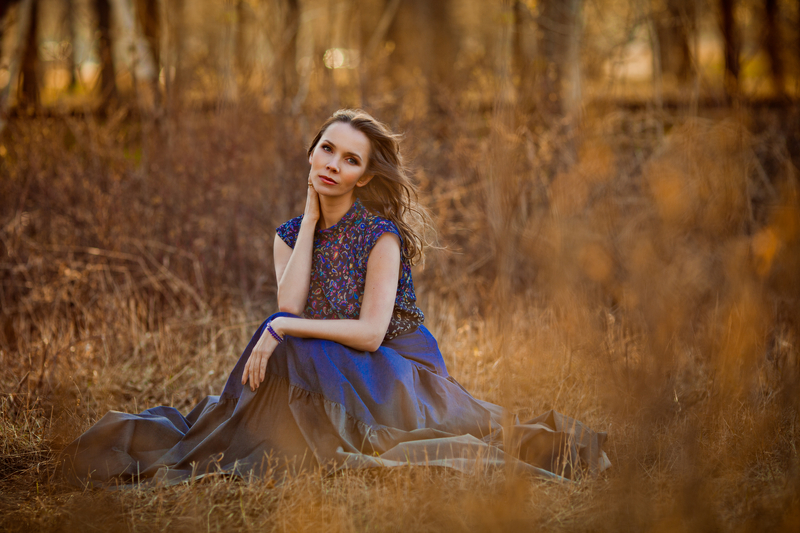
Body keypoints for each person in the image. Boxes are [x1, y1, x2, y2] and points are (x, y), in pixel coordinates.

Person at [61, 110, 609, 487]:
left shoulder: (380, 237)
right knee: (285, 343)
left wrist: (280, 328)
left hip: (394, 368)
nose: (332, 164)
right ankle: (275, 438)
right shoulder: (288, 235)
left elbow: (368, 334)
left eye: (350, 159)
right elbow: (292, 306)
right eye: (326, 149)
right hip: (328, 360)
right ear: (311, 152)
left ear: (365, 176)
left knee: (286, 339)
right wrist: (308, 221)